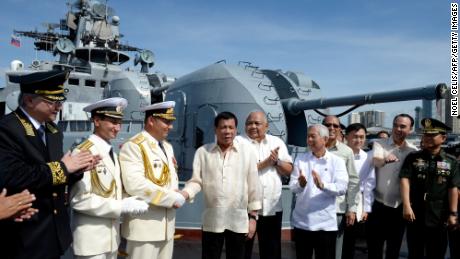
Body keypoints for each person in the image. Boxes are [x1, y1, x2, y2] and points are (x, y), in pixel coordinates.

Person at [0, 69, 98, 259]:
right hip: (25, 237)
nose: (59, 107)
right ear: (29, 101)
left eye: (61, 101)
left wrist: (78, 168)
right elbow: (12, 176)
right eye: (53, 101)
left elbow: (57, 176)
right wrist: (64, 168)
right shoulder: (7, 129)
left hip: (54, 233)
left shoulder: (53, 131)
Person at [71, 97, 149, 259]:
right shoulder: (83, 152)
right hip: (91, 244)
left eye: (119, 122)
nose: (117, 128)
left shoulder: (110, 152)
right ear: (97, 120)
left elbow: (113, 190)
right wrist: (121, 206)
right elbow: (79, 199)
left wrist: (132, 200)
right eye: (113, 122)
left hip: (112, 240)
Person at [180, 111, 262, 259]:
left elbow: (254, 185)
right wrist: (184, 194)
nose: (227, 131)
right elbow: (196, 181)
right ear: (216, 129)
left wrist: (253, 218)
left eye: (231, 127)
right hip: (213, 220)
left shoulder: (247, 152)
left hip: (238, 220)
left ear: (236, 130)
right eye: (223, 127)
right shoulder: (203, 152)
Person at [119, 101, 185, 259]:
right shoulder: (134, 146)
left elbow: (170, 179)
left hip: (167, 228)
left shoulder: (167, 147)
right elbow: (135, 185)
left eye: (171, 122)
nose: (170, 127)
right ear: (151, 121)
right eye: (166, 122)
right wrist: (172, 198)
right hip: (144, 230)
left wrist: (176, 193)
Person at [236, 111, 293, 259]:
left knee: (271, 252)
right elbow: (238, 171)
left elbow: (289, 170)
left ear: (266, 126)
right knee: (241, 251)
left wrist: (277, 162)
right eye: (249, 123)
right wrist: (266, 163)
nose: (253, 126)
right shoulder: (237, 143)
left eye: (257, 123)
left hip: (272, 208)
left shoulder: (277, 143)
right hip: (244, 208)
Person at [400, 118, 459, 258]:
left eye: (432, 135)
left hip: (439, 215)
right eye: (425, 134)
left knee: (437, 252)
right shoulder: (413, 158)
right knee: (415, 252)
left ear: (443, 138)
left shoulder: (451, 161)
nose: (427, 138)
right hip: (416, 212)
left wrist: (453, 214)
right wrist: (406, 206)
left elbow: (453, 188)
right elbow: (404, 180)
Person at [290, 124, 349, 259]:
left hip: (325, 224)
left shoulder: (337, 161)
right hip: (302, 222)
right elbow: (292, 187)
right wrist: (300, 184)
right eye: (308, 136)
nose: (309, 140)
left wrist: (323, 185)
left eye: (313, 136)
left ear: (325, 139)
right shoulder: (301, 159)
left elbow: (342, 188)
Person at [367, 113, 418, 259]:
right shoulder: (380, 144)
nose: (398, 129)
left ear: (410, 129)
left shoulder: (413, 151)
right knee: (374, 248)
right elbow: (376, 160)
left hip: (399, 208)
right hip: (378, 205)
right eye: (395, 125)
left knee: (394, 248)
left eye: (403, 126)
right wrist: (384, 159)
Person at [322, 116, 359, 259]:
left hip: (336, 208)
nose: (331, 128)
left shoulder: (346, 151)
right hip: (314, 209)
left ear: (339, 129)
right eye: (328, 125)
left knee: (335, 250)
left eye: (335, 126)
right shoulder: (311, 147)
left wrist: (351, 208)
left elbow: (353, 181)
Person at [342, 123, 376, 259]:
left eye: (362, 137)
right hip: (337, 198)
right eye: (355, 137)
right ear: (346, 137)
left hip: (356, 200)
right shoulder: (338, 154)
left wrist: (366, 208)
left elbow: (369, 184)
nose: (359, 140)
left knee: (350, 238)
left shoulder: (367, 158)